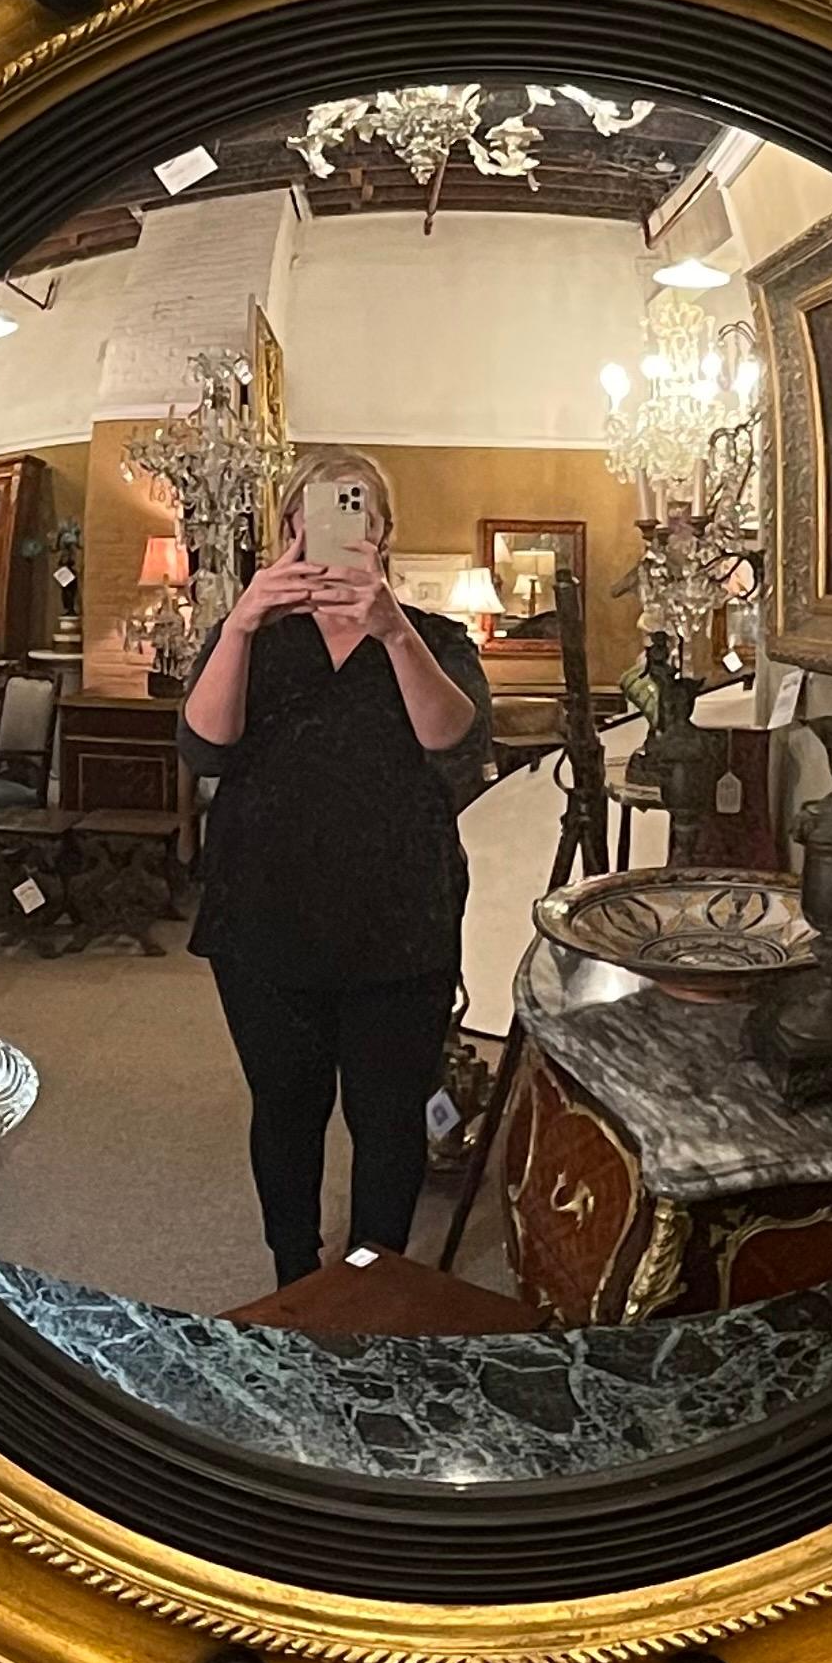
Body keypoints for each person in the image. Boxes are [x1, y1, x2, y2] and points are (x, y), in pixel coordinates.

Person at [179, 448, 493, 1286]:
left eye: (354, 513)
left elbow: (454, 744)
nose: (323, 533)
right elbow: (203, 748)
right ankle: (294, 1269)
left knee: (388, 1119)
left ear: (382, 530)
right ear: (286, 532)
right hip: (265, 921)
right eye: (303, 518)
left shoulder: (433, 639)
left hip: (401, 921)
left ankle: (368, 1275)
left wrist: (392, 630)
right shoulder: (249, 636)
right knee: (285, 1108)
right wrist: (240, 622)